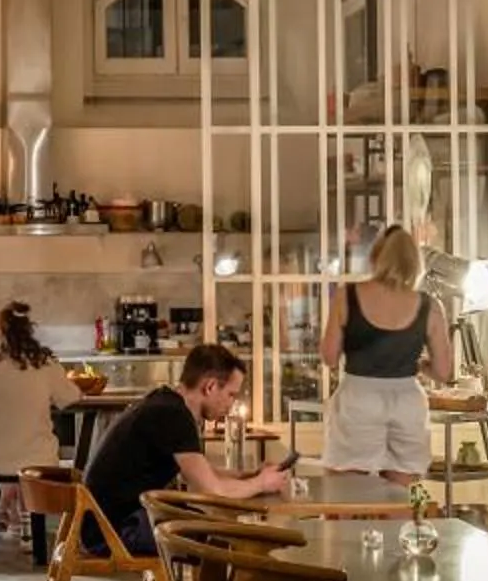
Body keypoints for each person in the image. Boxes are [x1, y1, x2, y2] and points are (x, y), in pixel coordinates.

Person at [80, 342, 287, 557]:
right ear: (210, 387)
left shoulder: (167, 403)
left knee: (218, 529)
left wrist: (249, 476)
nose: (231, 404)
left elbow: (201, 473)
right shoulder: (174, 415)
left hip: (106, 525)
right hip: (112, 533)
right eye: (231, 395)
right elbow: (212, 489)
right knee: (227, 537)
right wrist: (261, 483)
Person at [319, 224, 452, 485]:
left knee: (345, 492)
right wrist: (419, 364)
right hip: (407, 402)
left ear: (375, 257)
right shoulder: (430, 306)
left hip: (358, 399)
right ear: (415, 262)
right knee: (404, 495)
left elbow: (329, 357)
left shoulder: (348, 296)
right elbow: (443, 371)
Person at [0, 302, 79, 566]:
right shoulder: (45, 362)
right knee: (28, 460)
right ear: (28, 331)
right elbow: (69, 398)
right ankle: (27, 531)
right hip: (39, 459)